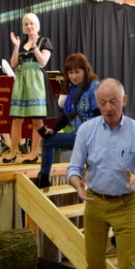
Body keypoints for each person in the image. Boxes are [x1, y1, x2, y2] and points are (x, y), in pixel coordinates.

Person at [68, 78, 135, 269]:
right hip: (95, 203)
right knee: (95, 263)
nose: (108, 108)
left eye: (114, 102)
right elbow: (73, 168)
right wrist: (77, 183)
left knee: (128, 267)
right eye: (103, 102)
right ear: (97, 103)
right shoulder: (87, 130)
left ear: (124, 100)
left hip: (126, 205)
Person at [36, 52, 100, 189]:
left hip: (91, 137)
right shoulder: (73, 89)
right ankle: (43, 179)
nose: (73, 76)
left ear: (85, 70)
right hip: (79, 136)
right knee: (48, 140)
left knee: (94, 177)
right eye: (70, 72)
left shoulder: (94, 87)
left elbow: (99, 115)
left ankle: (44, 179)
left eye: (77, 72)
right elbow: (67, 115)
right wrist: (53, 130)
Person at [4, 13, 56, 164]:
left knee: (36, 119)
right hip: (21, 81)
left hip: (36, 82)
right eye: (26, 24)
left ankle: (34, 153)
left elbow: (43, 62)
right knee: (16, 118)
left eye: (31, 23)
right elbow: (14, 64)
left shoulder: (44, 41)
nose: (29, 26)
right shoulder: (22, 42)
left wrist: (34, 46)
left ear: (37, 24)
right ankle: (12, 152)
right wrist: (16, 46)